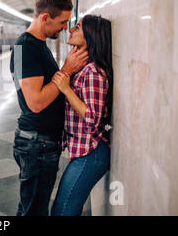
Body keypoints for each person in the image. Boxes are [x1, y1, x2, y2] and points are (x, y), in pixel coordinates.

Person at [10, 0, 88, 216]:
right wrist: (66, 70)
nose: (65, 28)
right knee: (34, 211)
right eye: (63, 22)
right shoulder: (26, 47)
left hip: (40, 143)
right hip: (37, 145)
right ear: (45, 18)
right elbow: (35, 102)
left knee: (32, 207)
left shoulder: (37, 44)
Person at [51, 15, 113, 216]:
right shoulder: (84, 69)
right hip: (84, 151)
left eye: (77, 27)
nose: (70, 30)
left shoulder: (93, 72)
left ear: (91, 35)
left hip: (91, 153)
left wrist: (66, 89)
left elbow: (93, 119)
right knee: (65, 208)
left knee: (63, 210)